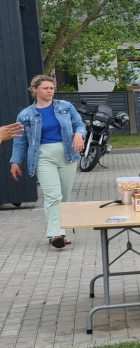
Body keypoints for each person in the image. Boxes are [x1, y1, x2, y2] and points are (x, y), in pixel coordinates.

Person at [9, 75, 85, 249]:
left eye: (51, 88)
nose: (49, 91)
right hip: (43, 156)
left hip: (68, 155)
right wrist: (15, 162)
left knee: (64, 196)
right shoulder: (25, 115)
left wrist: (79, 134)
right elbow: (20, 141)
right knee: (53, 195)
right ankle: (55, 234)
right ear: (34, 90)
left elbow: (79, 124)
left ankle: (61, 232)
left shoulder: (66, 107)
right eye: (45, 88)